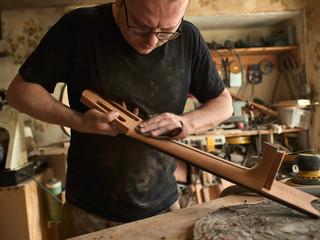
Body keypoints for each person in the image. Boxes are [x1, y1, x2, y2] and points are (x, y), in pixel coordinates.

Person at [6, 0, 233, 238]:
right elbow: (19, 92)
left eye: (166, 32)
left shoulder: (189, 38)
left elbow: (223, 104)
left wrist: (186, 123)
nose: (152, 41)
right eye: (141, 28)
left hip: (163, 209)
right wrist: (79, 121)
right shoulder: (80, 27)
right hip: (89, 214)